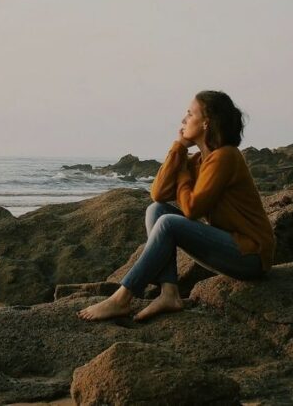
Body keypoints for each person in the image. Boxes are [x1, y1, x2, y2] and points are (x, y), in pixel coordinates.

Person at [78, 90, 276, 322]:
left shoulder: (226, 156)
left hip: (251, 255)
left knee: (168, 223)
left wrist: (182, 172)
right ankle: (169, 292)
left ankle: (122, 298)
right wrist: (179, 148)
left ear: (206, 122)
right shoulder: (199, 161)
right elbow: (158, 194)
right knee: (156, 210)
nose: (183, 120)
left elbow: (191, 209)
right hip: (229, 246)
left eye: (190, 114)